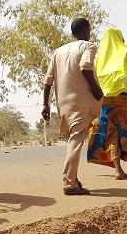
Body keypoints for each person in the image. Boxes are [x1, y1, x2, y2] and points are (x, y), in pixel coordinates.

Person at [42, 18, 103, 195]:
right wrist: (97, 90)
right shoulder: (88, 46)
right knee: (75, 142)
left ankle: (73, 179)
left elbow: (48, 81)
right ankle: (69, 184)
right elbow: (85, 67)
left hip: (64, 104)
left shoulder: (58, 51)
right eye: (89, 29)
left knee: (73, 140)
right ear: (85, 30)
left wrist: (45, 104)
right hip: (81, 102)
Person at [87, 27, 127, 179]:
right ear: (120, 38)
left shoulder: (98, 58)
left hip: (106, 101)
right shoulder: (126, 52)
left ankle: (118, 171)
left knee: (111, 134)